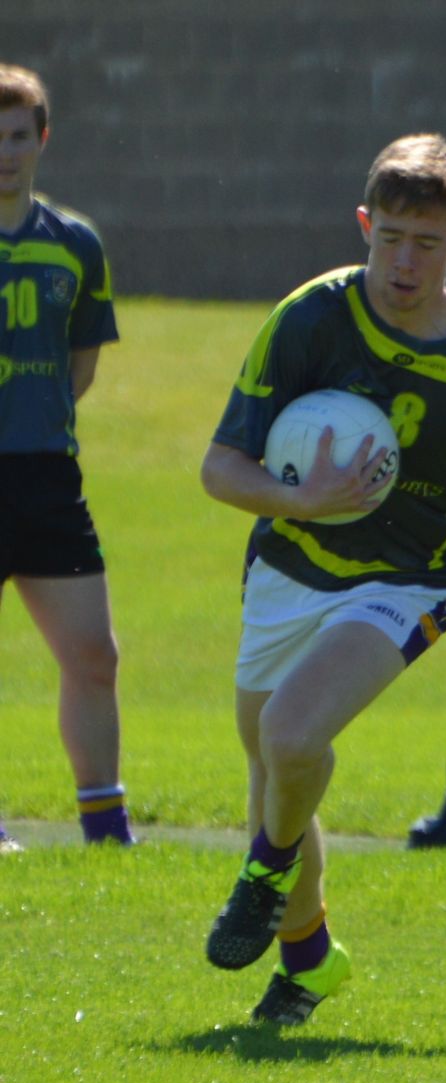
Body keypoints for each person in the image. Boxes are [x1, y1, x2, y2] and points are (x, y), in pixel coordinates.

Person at [201, 133, 446, 1025]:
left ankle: (264, 871)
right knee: (275, 767)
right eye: (388, 237)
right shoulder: (313, 317)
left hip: (412, 579)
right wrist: (301, 500)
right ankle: (308, 958)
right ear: (363, 226)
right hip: (289, 564)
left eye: (426, 243)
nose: (404, 260)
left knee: (292, 737)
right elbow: (220, 468)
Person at [0, 63, 135, 849]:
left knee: (93, 654)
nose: (5, 153)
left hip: (47, 474)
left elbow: (81, 362)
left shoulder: (75, 243)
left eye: (18, 137)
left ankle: (105, 826)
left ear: (41, 140)